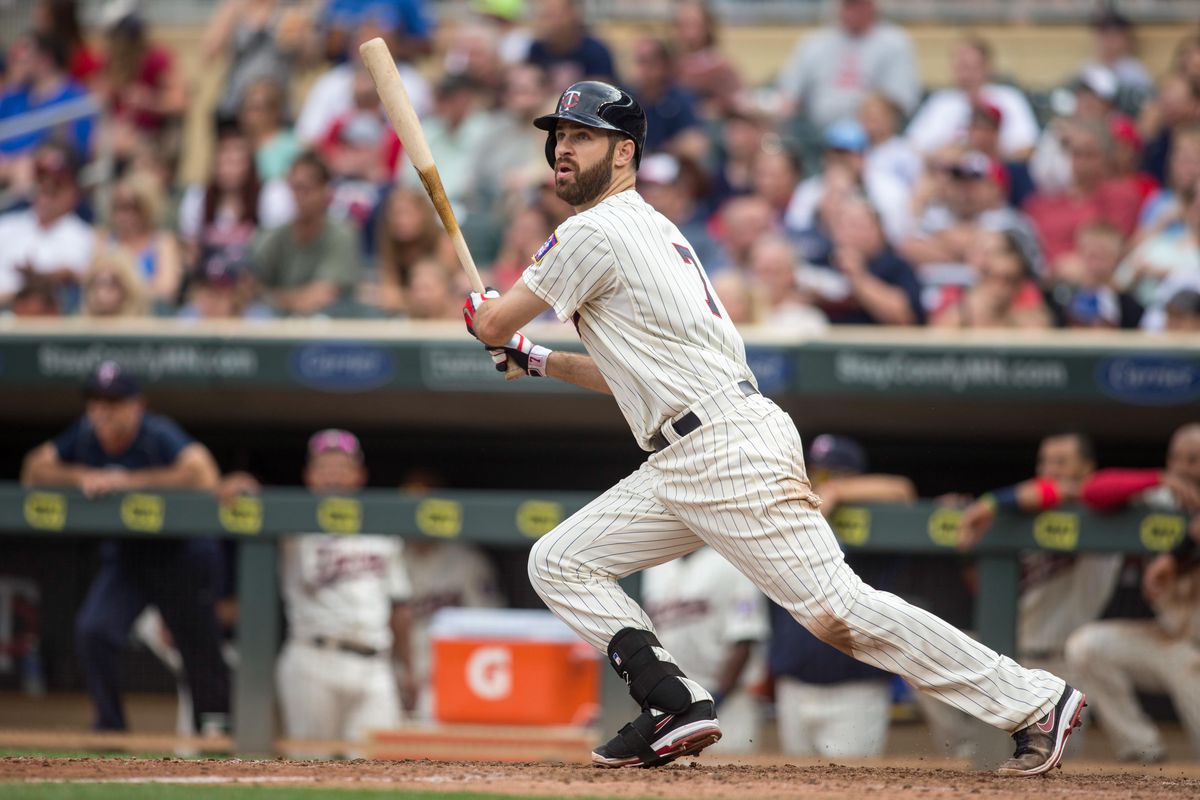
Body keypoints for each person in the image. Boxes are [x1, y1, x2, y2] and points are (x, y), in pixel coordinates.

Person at [462, 79, 1085, 775]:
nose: (563, 149)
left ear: (625, 152)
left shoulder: (593, 229)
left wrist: (487, 317)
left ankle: (1034, 700)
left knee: (838, 611)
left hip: (722, 448)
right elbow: (622, 375)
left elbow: (492, 322)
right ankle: (672, 700)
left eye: (582, 136)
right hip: (686, 452)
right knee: (561, 561)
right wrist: (537, 359)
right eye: (560, 137)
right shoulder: (648, 228)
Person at [19, 361, 228, 733]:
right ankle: (110, 728)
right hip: (129, 556)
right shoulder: (84, 434)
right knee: (94, 630)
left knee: (197, 645)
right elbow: (33, 470)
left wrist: (128, 481)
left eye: (113, 402)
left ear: (136, 405)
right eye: (96, 401)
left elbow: (204, 473)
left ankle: (215, 731)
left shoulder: (156, 432)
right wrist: (83, 475)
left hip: (181, 553)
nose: (103, 411)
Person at [769, 434, 914, 758]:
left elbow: (902, 491)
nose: (819, 480)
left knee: (849, 780)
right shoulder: (792, 514)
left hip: (856, 689)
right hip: (794, 685)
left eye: (831, 473)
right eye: (816, 471)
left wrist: (836, 492)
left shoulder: (875, 516)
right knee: (791, 780)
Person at [1066, 425, 1200, 763]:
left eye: (1194, 459)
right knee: (1086, 646)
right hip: (1175, 641)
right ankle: (1141, 751)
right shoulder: (1162, 498)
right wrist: (1157, 479)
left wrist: (1174, 557)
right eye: (1176, 459)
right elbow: (1094, 490)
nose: (1184, 468)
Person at [275, 429, 415, 751]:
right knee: (310, 764)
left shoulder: (382, 528)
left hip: (375, 663)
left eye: (342, 466)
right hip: (314, 656)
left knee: (380, 764)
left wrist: (406, 667)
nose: (333, 475)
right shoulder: (291, 522)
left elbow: (400, 606)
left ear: (359, 475)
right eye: (324, 467)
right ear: (309, 476)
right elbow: (246, 505)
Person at [958, 433, 1117, 677]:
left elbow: (1064, 491)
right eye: (1044, 462)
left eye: (1061, 462)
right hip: (1010, 653)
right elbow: (981, 588)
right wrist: (965, 550)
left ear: (1087, 468)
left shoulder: (1102, 512)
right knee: (932, 650)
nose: (1049, 470)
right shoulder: (1025, 518)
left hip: (1067, 662)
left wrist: (988, 504)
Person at [642, 547, 769, 754]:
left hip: (727, 703)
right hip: (671, 704)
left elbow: (745, 639)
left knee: (732, 768)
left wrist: (717, 699)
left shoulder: (732, 561)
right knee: (672, 772)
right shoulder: (656, 565)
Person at [776, 0, 919, 131]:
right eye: (847, 5)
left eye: (857, 4)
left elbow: (900, 102)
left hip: (871, 134)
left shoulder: (894, 42)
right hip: (815, 132)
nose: (852, 11)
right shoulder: (814, 42)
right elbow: (788, 97)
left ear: (872, 6)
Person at [253, 151, 362, 317]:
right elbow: (249, 287)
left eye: (306, 189)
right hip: (280, 323)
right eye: (294, 188)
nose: (299, 196)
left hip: (328, 324)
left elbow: (321, 296)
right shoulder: (275, 235)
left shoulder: (342, 234)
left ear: (325, 190)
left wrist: (273, 297)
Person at [905, 36, 1040, 162]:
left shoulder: (1009, 98)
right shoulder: (941, 101)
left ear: (988, 67)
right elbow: (912, 147)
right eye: (961, 66)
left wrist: (985, 151)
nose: (966, 74)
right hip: (945, 173)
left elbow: (1028, 148)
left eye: (971, 66)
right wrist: (950, 155)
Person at [0, 144, 93, 310]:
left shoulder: (84, 236)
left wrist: (37, 278)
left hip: (54, 320)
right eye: (41, 188)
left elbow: (78, 276)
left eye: (54, 190)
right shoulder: (6, 226)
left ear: (72, 192)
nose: (45, 198)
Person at [104, 172, 183, 309]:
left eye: (133, 207)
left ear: (148, 208)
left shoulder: (163, 242)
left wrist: (122, 292)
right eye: (119, 207)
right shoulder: (104, 240)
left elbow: (166, 289)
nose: (125, 215)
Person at [524, 0, 617, 91]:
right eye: (544, 16)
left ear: (573, 15)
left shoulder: (595, 51)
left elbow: (600, 91)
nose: (547, 23)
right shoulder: (537, 49)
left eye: (554, 16)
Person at [80, 246, 149, 318]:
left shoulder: (144, 323)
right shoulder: (80, 323)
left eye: (113, 283)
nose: (102, 292)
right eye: (97, 283)